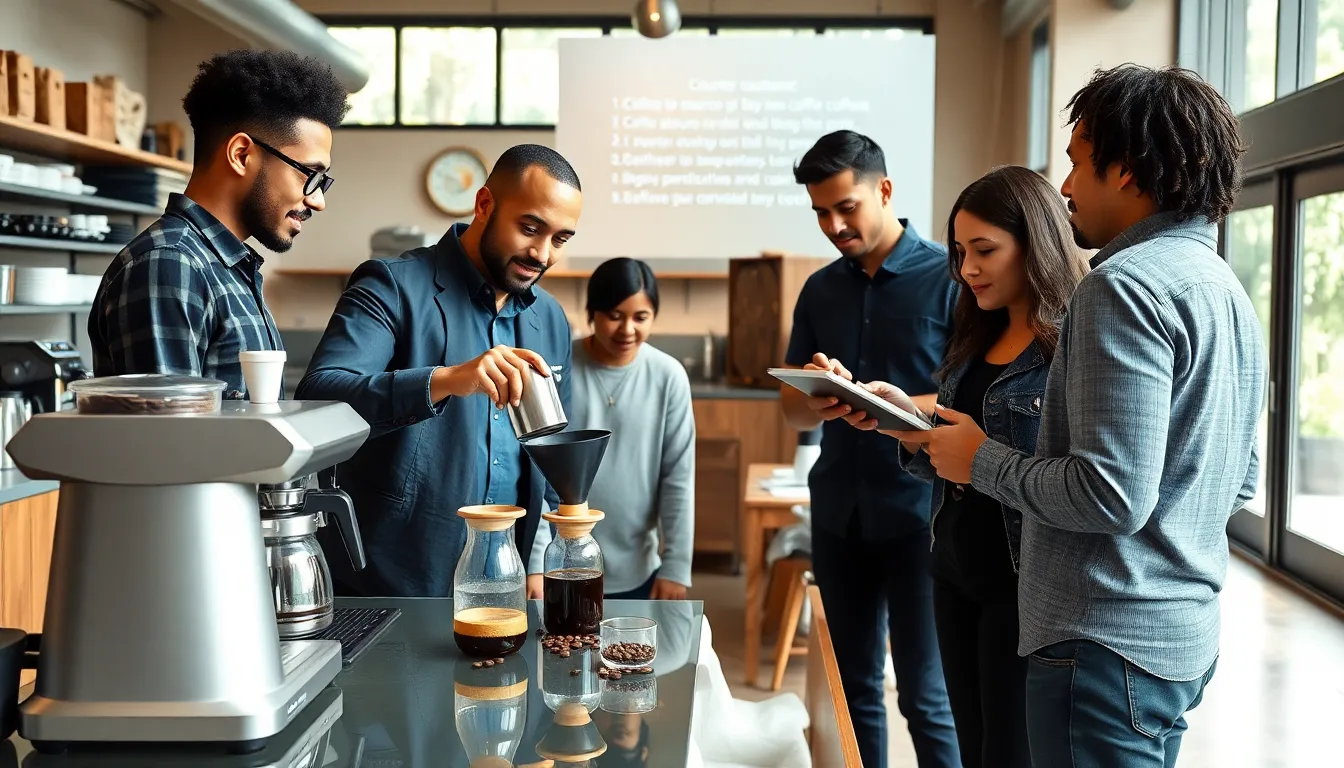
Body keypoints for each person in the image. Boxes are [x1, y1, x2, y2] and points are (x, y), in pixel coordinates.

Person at [891, 65, 1263, 767]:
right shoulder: (1225, 289)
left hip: (1103, 643)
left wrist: (981, 461)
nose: (1063, 187)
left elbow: (1111, 494)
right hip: (1176, 638)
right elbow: (1239, 481)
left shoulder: (1121, 287)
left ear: (1128, 170)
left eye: (1077, 162)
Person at [844, 165, 1088, 767]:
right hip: (953, 571)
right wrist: (905, 424)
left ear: (1036, 246)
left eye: (984, 251)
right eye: (959, 252)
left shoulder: (1072, 346)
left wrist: (977, 455)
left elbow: (1074, 481)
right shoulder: (974, 332)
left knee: (1009, 752)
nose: (967, 269)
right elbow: (954, 457)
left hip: (1023, 588)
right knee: (971, 747)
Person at [295, 144, 582, 598]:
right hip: (393, 584)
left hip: (506, 584)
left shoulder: (549, 319)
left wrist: (537, 559)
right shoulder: (390, 284)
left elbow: (551, 450)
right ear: (484, 204)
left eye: (560, 239)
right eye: (530, 228)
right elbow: (319, 396)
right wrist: (446, 380)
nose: (542, 253)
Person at [779, 130, 960, 768]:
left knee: (928, 695)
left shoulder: (951, 277)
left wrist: (900, 406)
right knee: (851, 691)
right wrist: (818, 390)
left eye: (845, 207)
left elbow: (974, 402)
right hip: (838, 514)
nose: (832, 225)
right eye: (820, 213)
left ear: (883, 190)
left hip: (923, 515)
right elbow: (788, 404)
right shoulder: (819, 290)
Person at [89, 50, 347, 399]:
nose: (318, 200)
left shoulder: (228, 269)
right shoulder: (169, 264)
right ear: (241, 154)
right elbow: (167, 443)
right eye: (310, 175)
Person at [527, 258, 695, 601]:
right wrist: (536, 561)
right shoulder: (557, 368)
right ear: (592, 313)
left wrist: (676, 566)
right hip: (559, 564)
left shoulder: (669, 376)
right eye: (614, 316)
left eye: (640, 317)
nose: (627, 330)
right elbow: (538, 472)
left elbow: (678, 476)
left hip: (639, 567)